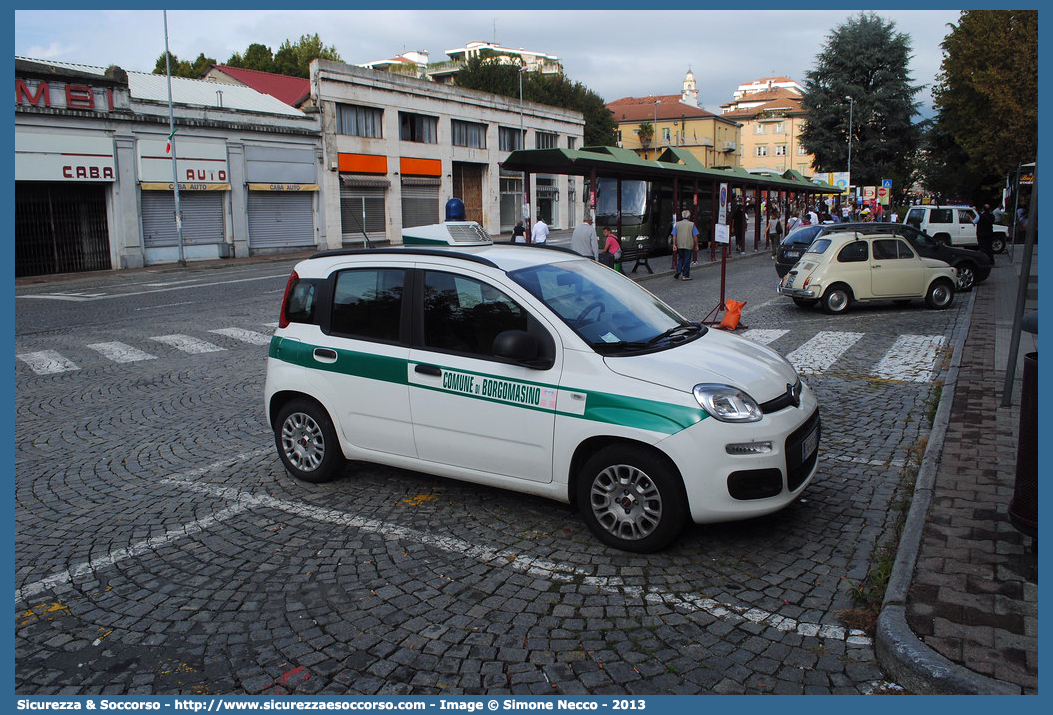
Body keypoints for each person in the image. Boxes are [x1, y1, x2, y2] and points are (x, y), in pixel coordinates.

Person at [671, 210, 699, 280]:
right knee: (687, 259)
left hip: (680, 244)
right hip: (688, 244)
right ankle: (685, 275)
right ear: (689, 216)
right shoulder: (691, 224)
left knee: (681, 258)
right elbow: (695, 236)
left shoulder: (677, 224)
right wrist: (696, 245)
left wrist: (674, 244)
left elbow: (674, 235)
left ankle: (678, 270)